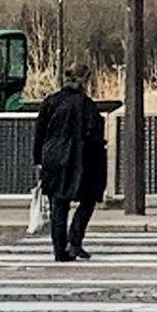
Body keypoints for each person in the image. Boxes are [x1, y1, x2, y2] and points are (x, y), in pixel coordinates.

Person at [33, 68, 105, 262]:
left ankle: (59, 248)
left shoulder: (50, 102)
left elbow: (39, 133)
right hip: (81, 158)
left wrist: (38, 159)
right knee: (88, 199)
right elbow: (95, 134)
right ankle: (75, 239)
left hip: (53, 157)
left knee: (59, 203)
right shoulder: (87, 104)